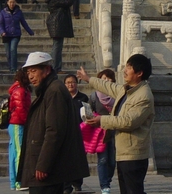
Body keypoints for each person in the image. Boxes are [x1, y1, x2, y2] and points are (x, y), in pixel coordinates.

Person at [77, 54, 155, 194]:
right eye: (126, 66)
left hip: (133, 154)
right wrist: (89, 79)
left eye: (129, 67)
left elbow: (128, 121)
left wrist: (102, 120)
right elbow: (109, 86)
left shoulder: (144, 96)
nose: (125, 70)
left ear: (139, 73)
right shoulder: (127, 90)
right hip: (123, 152)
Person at [17, 52, 90, 192]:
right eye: (28, 72)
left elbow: (54, 131)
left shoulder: (54, 90)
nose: (30, 76)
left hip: (49, 167)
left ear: (46, 70)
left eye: (34, 71)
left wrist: (44, 164)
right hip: (42, 162)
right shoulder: (47, 90)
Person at [88, 69, 117, 194]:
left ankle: (108, 180)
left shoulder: (117, 96)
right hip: (101, 132)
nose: (106, 81)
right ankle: (104, 185)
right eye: (104, 78)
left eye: (109, 79)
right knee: (103, 159)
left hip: (115, 130)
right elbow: (89, 112)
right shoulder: (94, 96)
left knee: (112, 160)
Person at [63, 74, 89, 194]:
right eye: (68, 82)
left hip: (81, 131)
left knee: (79, 158)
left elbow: (88, 113)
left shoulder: (83, 97)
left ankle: (77, 183)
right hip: (66, 131)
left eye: (72, 82)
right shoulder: (62, 97)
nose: (70, 84)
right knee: (66, 159)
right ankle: (66, 185)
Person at [44, 0, 76, 73]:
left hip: (57, 24)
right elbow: (67, 3)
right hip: (57, 24)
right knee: (57, 47)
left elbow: (64, 1)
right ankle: (55, 67)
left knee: (57, 46)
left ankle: (56, 67)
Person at [8, 69, 31, 191]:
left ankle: (14, 181)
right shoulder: (20, 91)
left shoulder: (19, 89)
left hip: (16, 123)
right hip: (18, 123)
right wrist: (28, 121)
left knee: (14, 152)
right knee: (19, 153)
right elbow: (21, 108)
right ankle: (19, 181)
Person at [0, 0, 34, 73]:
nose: (12, 4)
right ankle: (10, 66)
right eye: (10, 2)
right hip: (6, 35)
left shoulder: (19, 12)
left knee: (13, 49)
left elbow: (23, 22)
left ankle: (13, 68)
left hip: (16, 34)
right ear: (7, 3)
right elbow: (0, 24)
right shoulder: (3, 12)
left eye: (13, 2)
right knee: (8, 53)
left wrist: (30, 31)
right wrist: (2, 32)